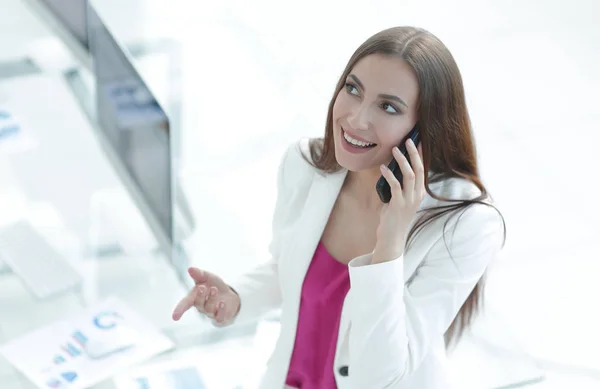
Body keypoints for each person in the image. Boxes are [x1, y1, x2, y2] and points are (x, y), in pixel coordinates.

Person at [172, 26, 506, 389]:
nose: (356, 119)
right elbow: (291, 269)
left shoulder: (465, 225)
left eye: (388, 107)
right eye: (353, 89)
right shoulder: (306, 165)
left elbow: (380, 375)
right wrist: (235, 299)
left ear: (424, 132)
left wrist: (390, 243)